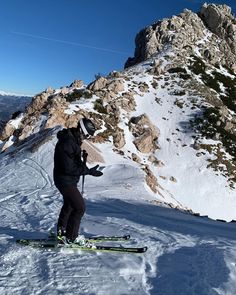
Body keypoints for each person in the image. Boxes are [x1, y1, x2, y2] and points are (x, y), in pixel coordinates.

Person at [53, 117, 103, 244]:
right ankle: (71, 237)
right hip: (65, 180)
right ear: (81, 131)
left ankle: (61, 232)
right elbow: (69, 168)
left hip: (66, 179)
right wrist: (88, 171)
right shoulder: (68, 143)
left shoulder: (72, 141)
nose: (85, 139)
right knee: (80, 207)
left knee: (69, 205)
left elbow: (73, 163)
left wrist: (84, 164)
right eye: (86, 136)